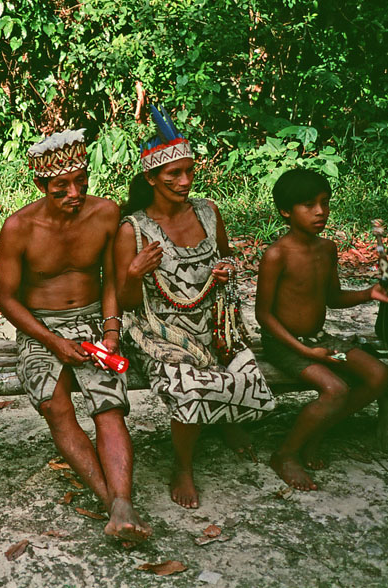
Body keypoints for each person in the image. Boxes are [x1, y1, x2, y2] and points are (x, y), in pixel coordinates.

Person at [114, 104, 274, 509]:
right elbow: (127, 303)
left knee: (246, 376)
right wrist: (133, 274)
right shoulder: (133, 229)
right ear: (151, 177)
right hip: (159, 331)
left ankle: (225, 424)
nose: (185, 181)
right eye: (173, 175)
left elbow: (225, 256)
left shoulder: (206, 210)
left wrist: (223, 269)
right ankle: (182, 465)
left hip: (212, 321)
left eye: (189, 172)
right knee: (188, 390)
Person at [0, 129, 152, 541]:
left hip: (94, 322)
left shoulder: (104, 214)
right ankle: (113, 503)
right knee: (56, 405)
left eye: (81, 181)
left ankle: (123, 502)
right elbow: (7, 300)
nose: (74, 193)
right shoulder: (19, 227)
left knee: (108, 404)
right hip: (40, 328)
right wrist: (52, 342)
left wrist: (112, 331)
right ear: (40, 185)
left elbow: (111, 281)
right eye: (61, 186)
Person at [255, 168, 388, 491]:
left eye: (325, 202)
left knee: (379, 376)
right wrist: (306, 353)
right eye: (309, 204)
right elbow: (264, 316)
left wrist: (368, 293)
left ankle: (317, 430)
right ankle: (286, 453)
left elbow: (331, 297)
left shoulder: (327, 249)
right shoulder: (276, 255)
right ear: (286, 211)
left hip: (320, 339)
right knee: (337, 389)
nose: (321, 212)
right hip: (285, 345)